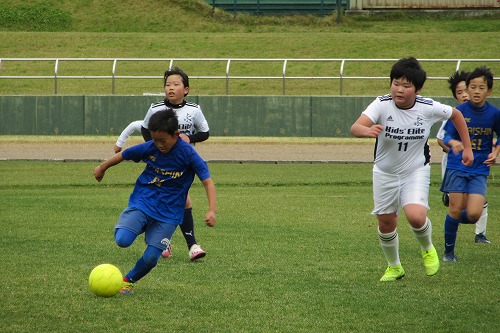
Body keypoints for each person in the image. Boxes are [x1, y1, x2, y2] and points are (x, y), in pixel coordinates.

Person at [350, 56, 473, 282]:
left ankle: (427, 248)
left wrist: (467, 147)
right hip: (384, 173)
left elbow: (456, 115)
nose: (399, 89)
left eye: (406, 86)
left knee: (415, 216)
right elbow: (356, 126)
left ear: (417, 88)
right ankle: (394, 267)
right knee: (386, 222)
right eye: (396, 83)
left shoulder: (428, 107)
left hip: (415, 171)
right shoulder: (381, 103)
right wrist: (365, 131)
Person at [93, 109, 217, 294]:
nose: (158, 145)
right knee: (122, 240)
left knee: (151, 258)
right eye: (155, 140)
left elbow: (208, 182)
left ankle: (129, 280)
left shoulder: (188, 154)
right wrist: (102, 168)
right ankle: (142, 226)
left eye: (163, 141)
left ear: (176, 135)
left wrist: (211, 210)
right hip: (144, 202)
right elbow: (124, 155)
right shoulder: (150, 147)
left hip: (170, 213)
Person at [118, 67, 211, 261]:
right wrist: (154, 150)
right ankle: (188, 244)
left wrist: (188, 137)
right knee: (180, 200)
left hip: (183, 163)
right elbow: (145, 129)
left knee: (181, 199)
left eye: (176, 84)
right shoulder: (155, 108)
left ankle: (174, 241)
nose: (171, 88)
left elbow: (205, 133)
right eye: (167, 85)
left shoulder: (194, 110)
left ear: (186, 89)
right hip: (161, 163)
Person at [440, 66, 500, 263]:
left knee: (474, 214)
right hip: (457, 165)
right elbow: (446, 134)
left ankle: (451, 221)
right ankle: (449, 253)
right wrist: (454, 142)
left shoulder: (494, 114)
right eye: (472, 87)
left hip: (480, 168)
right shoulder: (458, 112)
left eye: (480, 87)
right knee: (455, 208)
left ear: (489, 90)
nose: (475, 91)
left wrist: (496, 151)